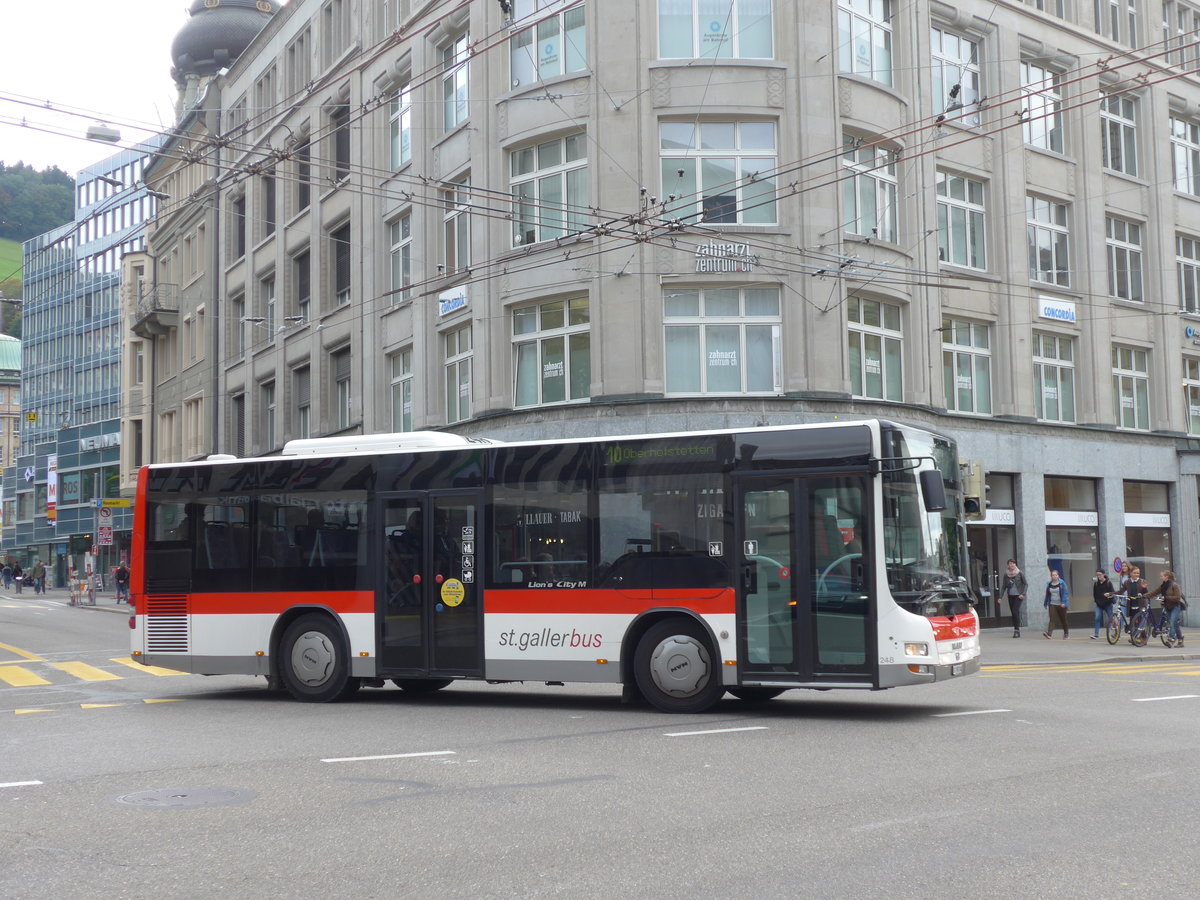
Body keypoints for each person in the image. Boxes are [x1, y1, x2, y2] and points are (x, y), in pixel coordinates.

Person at [1141, 570, 1186, 649]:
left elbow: (1177, 597)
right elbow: (1155, 592)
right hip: (1167, 606)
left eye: (1161, 576)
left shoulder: (1174, 585)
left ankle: (1171, 639)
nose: (1160, 577)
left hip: (1175, 606)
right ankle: (1180, 640)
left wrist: (1166, 597)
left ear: (1166, 577)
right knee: (1174, 624)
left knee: (1172, 622)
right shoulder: (1163, 586)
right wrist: (1145, 595)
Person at [1000, 559, 1027, 638]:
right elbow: (1004, 586)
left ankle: (1017, 630)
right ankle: (1016, 628)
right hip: (1010, 595)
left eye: (1013, 564)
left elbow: (1025, 584)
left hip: (1018, 596)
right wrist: (1000, 597)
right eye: (1010, 564)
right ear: (1008, 565)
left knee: (1015, 611)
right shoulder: (1006, 574)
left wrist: (1023, 594)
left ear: (1015, 564)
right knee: (1014, 613)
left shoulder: (1019, 573)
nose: (1011, 565)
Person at [1043, 569, 1070, 639]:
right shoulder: (1049, 584)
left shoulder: (1062, 584)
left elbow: (1065, 594)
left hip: (1061, 604)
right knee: (1052, 619)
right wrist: (1045, 603)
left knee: (1063, 619)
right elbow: (1047, 595)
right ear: (1051, 576)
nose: (1054, 576)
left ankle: (1066, 633)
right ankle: (1049, 634)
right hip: (1052, 604)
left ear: (1058, 576)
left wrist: (1063, 602)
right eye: (1053, 575)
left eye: (1056, 575)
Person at [1092, 569, 1115, 639]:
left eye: (1100, 575)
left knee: (1111, 619)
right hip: (1099, 605)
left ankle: (1116, 633)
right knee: (1097, 618)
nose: (1098, 576)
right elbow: (1094, 594)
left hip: (1108, 604)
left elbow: (1112, 592)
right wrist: (1096, 601)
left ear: (1103, 574)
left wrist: (1108, 596)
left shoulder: (1108, 583)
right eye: (1097, 575)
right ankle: (1096, 634)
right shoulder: (1096, 584)